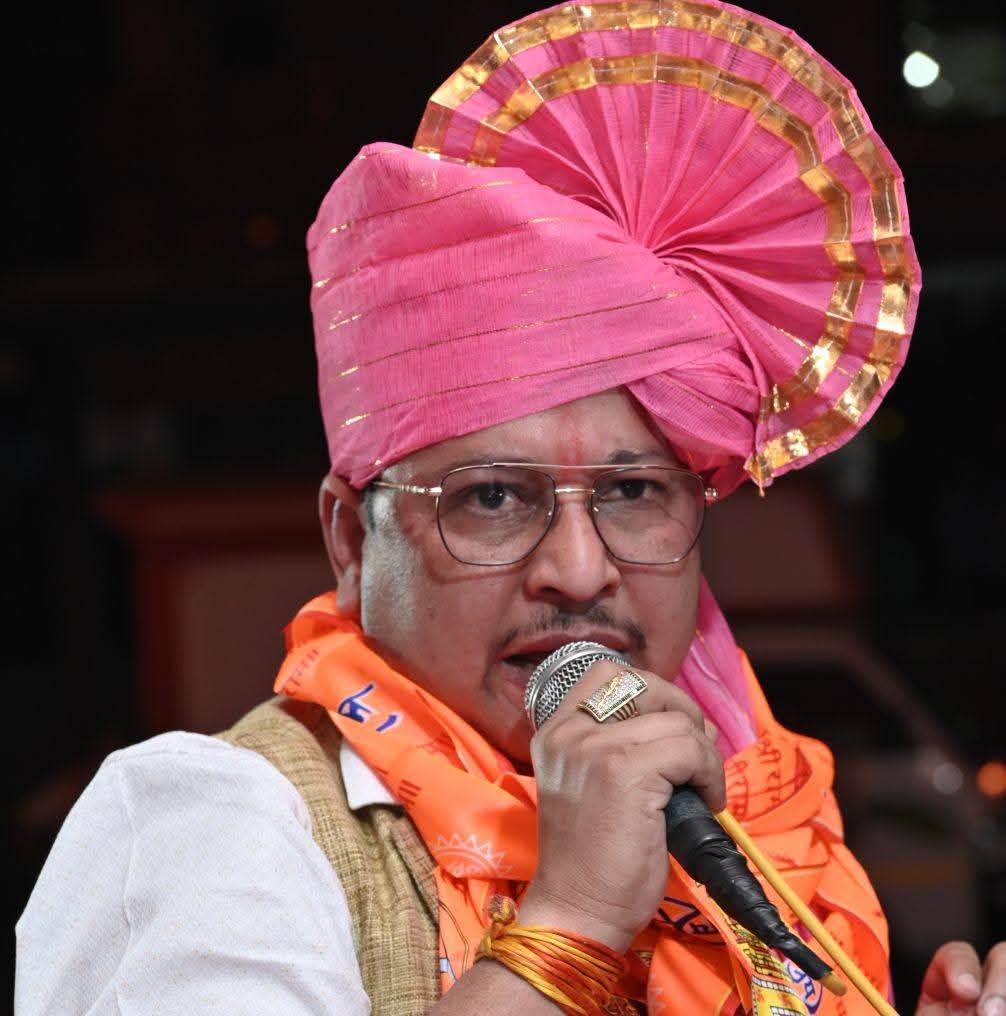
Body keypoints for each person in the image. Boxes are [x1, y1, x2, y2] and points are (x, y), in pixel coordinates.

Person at [15, 1, 1005, 1014]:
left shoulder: (768, 832)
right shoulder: (217, 821)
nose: (578, 569)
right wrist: (572, 919)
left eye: (632, 491)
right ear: (351, 539)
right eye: (492, 497)